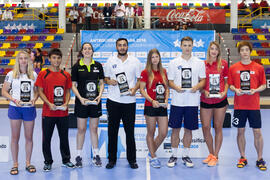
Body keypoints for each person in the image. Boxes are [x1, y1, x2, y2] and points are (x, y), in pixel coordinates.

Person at [167, 36, 206, 168]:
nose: (187, 48)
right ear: (181, 46)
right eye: (185, 45)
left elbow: (203, 80)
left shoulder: (199, 63)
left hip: (192, 102)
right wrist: (176, 88)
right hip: (177, 102)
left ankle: (186, 155)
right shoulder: (173, 62)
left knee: (188, 130)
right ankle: (174, 155)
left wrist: (197, 87)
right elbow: (170, 81)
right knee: (175, 130)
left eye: (189, 45)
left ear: (193, 46)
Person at [228, 41, 267, 171]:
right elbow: (231, 84)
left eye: (246, 50)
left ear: (250, 51)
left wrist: (255, 90)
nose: (244, 52)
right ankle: (242, 157)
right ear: (239, 52)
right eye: (242, 50)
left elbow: (263, 85)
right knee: (240, 131)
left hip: (254, 106)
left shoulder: (259, 67)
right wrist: (235, 90)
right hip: (239, 106)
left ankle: (260, 158)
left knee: (257, 132)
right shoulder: (233, 68)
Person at [35, 48, 75, 171]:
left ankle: (66, 160)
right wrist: (48, 103)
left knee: (64, 137)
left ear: (61, 59)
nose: (56, 60)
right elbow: (39, 91)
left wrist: (67, 102)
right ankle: (48, 161)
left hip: (62, 112)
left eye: (58, 58)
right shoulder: (43, 73)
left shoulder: (66, 75)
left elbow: (68, 91)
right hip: (48, 112)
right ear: (49, 59)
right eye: (54, 58)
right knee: (46, 138)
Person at [104, 38, 141, 169]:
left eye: (124, 45)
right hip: (113, 101)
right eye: (120, 45)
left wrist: (134, 89)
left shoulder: (135, 61)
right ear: (116, 46)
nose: (122, 47)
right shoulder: (110, 61)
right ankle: (111, 159)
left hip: (129, 102)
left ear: (127, 47)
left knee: (129, 132)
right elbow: (105, 78)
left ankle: (132, 160)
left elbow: (140, 80)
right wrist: (109, 82)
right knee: (112, 132)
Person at [2, 51, 38, 175]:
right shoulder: (11, 74)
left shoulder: (33, 74)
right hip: (15, 108)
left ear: (29, 60)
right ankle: (15, 164)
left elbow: (37, 91)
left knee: (29, 137)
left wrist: (35, 99)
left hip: (29, 108)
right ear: (17, 60)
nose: (23, 60)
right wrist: (14, 100)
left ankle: (28, 163)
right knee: (15, 137)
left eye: (25, 58)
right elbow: (4, 91)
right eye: (21, 58)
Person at [71, 42, 105, 167]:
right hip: (82, 102)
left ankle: (96, 155)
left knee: (94, 129)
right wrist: (80, 98)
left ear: (92, 51)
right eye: (85, 49)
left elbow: (101, 83)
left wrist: (100, 95)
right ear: (82, 51)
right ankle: (78, 156)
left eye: (89, 48)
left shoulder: (98, 65)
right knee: (81, 129)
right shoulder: (76, 67)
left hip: (95, 102)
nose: (87, 50)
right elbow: (73, 85)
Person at [200, 42, 229, 167]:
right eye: (211, 48)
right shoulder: (202, 64)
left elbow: (227, 81)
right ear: (208, 50)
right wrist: (203, 91)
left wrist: (224, 92)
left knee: (218, 127)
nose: (214, 51)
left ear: (218, 51)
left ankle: (216, 156)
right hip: (205, 100)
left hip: (220, 101)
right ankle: (211, 154)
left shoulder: (223, 64)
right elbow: (199, 82)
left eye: (216, 49)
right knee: (206, 127)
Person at [140, 49, 169, 168]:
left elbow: (167, 88)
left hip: (162, 106)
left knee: (163, 132)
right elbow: (142, 90)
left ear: (159, 58)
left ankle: (151, 151)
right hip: (150, 106)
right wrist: (152, 101)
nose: (155, 59)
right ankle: (153, 156)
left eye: (157, 56)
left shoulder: (164, 71)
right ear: (149, 59)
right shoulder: (145, 72)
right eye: (152, 57)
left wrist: (166, 100)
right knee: (150, 132)